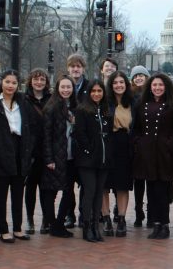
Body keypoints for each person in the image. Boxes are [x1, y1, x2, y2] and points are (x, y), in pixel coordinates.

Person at [133, 74, 173, 239]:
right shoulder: (142, 104)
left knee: (163, 190)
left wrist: (170, 144)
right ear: (150, 87)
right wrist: (139, 143)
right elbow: (136, 128)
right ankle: (155, 224)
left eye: (161, 85)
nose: (157, 88)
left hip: (165, 154)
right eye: (154, 85)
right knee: (151, 190)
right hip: (147, 153)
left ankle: (165, 225)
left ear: (166, 86)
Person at [0, 71, 37, 243]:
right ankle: (3, 229)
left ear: (18, 85)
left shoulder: (23, 102)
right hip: (0, 152)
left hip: (20, 150)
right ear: (2, 83)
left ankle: (17, 228)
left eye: (14, 83)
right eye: (7, 82)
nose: (10, 86)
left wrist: (29, 147)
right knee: (0, 194)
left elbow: (31, 125)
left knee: (18, 192)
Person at [74, 80, 113, 243]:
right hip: (87, 159)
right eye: (93, 91)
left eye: (99, 91)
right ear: (89, 93)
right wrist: (90, 149)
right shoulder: (82, 110)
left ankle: (96, 227)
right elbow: (80, 134)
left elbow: (109, 133)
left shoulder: (106, 110)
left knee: (99, 193)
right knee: (89, 192)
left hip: (103, 160)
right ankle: (87, 227)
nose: (96, 94)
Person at [41, 76, 77, 239]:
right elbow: (46, 135)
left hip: (71, 157)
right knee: (51, 192)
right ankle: (53, 224)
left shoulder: (74, 107)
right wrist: (49, 158)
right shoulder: (52, 107)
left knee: (68, 192)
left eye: (69, 87)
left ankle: (59, 223)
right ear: (57, 88)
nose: (66, 90)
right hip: (56, 157)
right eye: (63, 87)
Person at [103, 71, 134, 237]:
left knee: (122, 185)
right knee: (104, 185)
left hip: (125, 146)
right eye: (115, 83)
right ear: (111, 85)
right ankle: (106, 218)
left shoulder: (133, 102)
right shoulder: (105, 102)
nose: (119, 85)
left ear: (126, 84)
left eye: (122, 82)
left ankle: (121, 219)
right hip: (108, 144)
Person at [24, 68, 51, 234]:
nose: (39, 82)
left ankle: (46, 220)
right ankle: (30, 220)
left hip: (47, 149)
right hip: (31, 150)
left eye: (42, 79)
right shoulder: (24, 99)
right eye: (36, 79)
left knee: (45, 187)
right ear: (30, 81)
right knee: (30, 187)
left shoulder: (51, 99)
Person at [129, 66, 150, 227]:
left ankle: (151, 211)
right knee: (138, 181)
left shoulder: (153, 93)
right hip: (136, 141)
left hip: (151, 142)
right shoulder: (130, 96)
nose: (138, 78)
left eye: (141, 75)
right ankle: (138, 211)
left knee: (150, 180)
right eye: (136, 76)